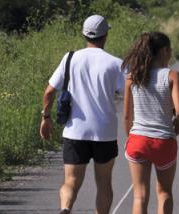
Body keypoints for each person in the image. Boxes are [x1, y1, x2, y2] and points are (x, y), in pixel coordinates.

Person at [39, 14, 124, 214]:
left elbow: (49, 91)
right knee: (104, 183)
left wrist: (46, 117)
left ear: (84, 34)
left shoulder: (70, 58)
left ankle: (66, 208)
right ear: (105, 36)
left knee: (70, 181)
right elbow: (130, 93)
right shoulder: (116, 63)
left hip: (75, 131)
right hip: (105, 132)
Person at [122, 32, 179, 214]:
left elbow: (127, 116)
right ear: (164, 50)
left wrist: (131, 137)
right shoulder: (173, 76)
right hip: (163, 140)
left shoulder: (132, 77)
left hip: (137, 139)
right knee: (164, 192)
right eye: (170, 50)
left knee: (139, 195)